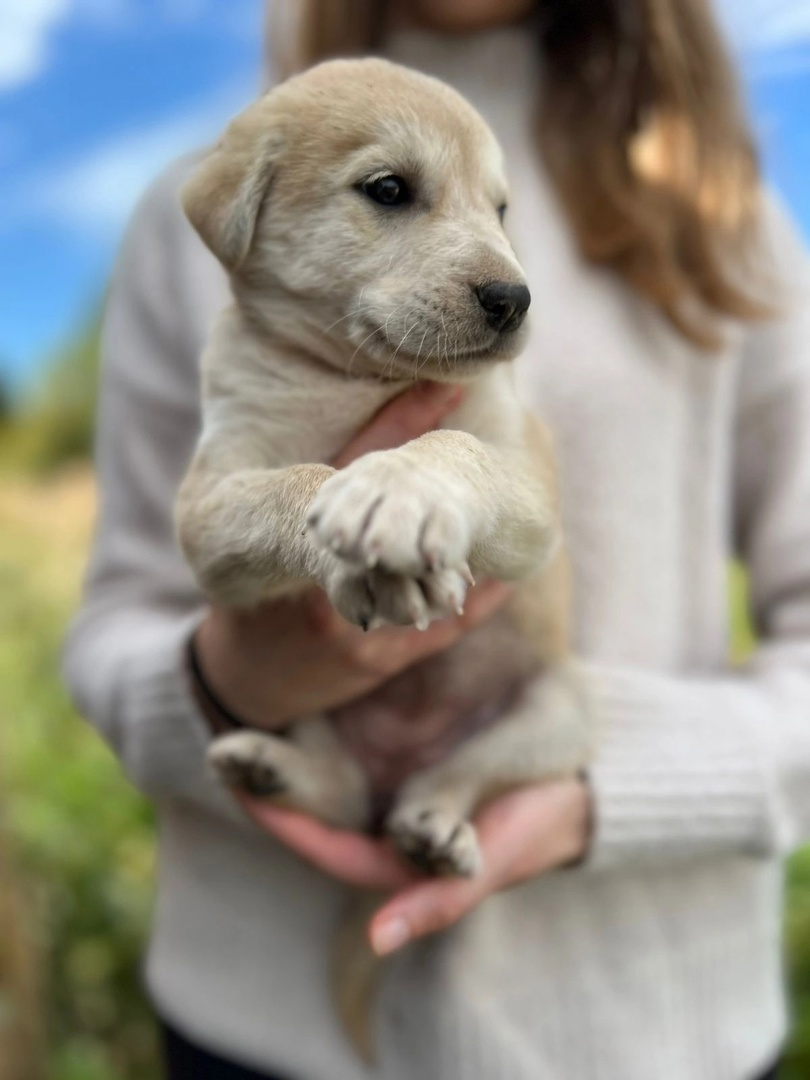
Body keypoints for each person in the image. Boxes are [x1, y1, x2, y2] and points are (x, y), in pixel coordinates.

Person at [63, 1, 810, 1078]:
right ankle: (323, 777)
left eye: (496, 209)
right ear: (244, 223)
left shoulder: (729, 218)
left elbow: (521, 504)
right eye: (388, 192)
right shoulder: (222, 194)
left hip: (651, 1029)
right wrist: (228, 684)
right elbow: (131, 606)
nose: (502, 274)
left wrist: (612, 785)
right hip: (256, 1019)